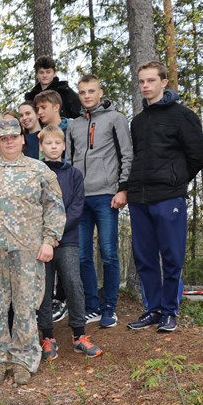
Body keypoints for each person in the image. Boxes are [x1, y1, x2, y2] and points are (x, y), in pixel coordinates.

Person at [0, 119, 66, 386]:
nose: (9, 142)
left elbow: (54, 208)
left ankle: (23, 360)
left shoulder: (39, 171)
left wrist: (49, 240)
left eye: (13, 137)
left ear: (22, 139)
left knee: (26, 306)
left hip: (28, 250)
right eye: (3, 138)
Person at [126, 61, 203, 332]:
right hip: (139, 198)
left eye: (151, 80)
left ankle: (170, 311)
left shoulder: (181, 115)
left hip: (168, 197)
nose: (146, 86)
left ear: (164, 82)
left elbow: (199, 154)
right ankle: (153, 310)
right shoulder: (137, 122)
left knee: (172, 256)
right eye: (142, 81)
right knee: (145, 257)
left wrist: (176, 180)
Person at [66, 75, 133, 328]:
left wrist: (123, 188)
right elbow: (70, 163)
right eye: (82, 92)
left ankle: (109, 307)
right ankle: (92, 306)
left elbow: (127, 155)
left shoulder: (115, 119)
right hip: (81, 199)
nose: (86, 96)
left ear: (100, 91)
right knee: (83, 256)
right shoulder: (73, 126)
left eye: (91, 91)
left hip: (107, 195)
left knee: (108, 254)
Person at [36, 125, 103, 362]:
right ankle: (47, 337)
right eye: (48, 143)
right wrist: (45, 235)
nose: (53, 147)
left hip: (67, 239)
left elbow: (76, 208)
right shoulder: (36, 172)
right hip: (40, 242)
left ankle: (79, 335)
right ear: (41, 146)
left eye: (57, 143)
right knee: (43, 288)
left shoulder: (74, 174)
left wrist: (57, 232)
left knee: (74, 283)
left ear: (64, 146)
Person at [24, 55, 82, 119]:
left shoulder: (65, 92)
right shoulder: (32, 97)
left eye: (48, 72)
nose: (45, 75)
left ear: (54, 73)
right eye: (41, 72)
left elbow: (79, 115)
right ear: (37, 75)